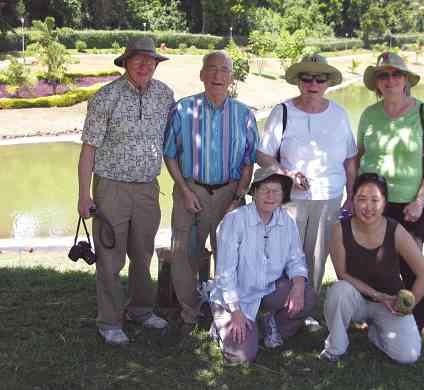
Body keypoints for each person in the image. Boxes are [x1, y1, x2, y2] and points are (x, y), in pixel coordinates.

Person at [77, 36, 174, 345]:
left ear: (157, 64)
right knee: (109, 258)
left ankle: (141, 310)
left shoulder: (165, 95)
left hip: (148, 188)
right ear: (126, 62)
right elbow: (88, 150)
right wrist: (83, 195)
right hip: (111, 189)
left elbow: (176, 141)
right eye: (138, 59)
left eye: (151, 60)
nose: (145, 65)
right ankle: (109, 321)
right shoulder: (105, 97)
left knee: (143, 255)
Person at [163, 51, 259, 332]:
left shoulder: (244, 115)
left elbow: (248, 161)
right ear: (202, 74)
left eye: (224, 70)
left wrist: (238, 198)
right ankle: (190, 312)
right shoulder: (183, 109)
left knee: (229, 255)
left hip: (229, 195)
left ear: (232, 77)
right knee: (183, 253)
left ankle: (224, 310)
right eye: (212, 69)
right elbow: (169, 154)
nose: (218, 76)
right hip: (190, 191)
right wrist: (183, 190)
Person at [356, 52, 424, 336]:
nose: (390, 80)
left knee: (411, 267)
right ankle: (376, 319)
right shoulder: (369, 114)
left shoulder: (423, 111)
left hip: (409, 204)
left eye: (396, 74)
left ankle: (415, 324)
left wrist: (419, 201)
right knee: (374, 264)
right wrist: (353, 197)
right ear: (377, 83)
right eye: (384, 75)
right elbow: (359, 157)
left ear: (406, 80)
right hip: (372, 204)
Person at [257, 54, 358, 297]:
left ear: (328, 83)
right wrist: (286, 173)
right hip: (291, 200)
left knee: (316, 258)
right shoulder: (282, 112)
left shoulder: (340, 115)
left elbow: (350, 159)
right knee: (282, 256)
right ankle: (276, 309)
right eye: (307, 78)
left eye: (320, 79)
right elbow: (262, 155)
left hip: (329, 199)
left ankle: (306, 309)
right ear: (299, 82)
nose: (313, 84)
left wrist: (352, 195)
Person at [209, 166, 318, 364]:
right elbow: (225, 273)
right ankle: (222, 323)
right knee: (240, 355)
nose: (271, 195)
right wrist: (235, 311)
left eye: (277, 190)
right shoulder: (234, 221)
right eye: (265, 189)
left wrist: (299, 286)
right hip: (235, 296)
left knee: (308, 295)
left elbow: (296, 259)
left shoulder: (287, 222)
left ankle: (269, 324)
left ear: (283, 195)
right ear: (254, 192)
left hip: (268, 290)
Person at [320, 173, 424, 363]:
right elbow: (342, 274)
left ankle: (376, 333)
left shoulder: (395, 230)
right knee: (339, 291)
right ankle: (335, 347)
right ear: (353, 200)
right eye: (361, 199)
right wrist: (377, 295)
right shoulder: (339, 229)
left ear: (385, 203)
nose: (368, 207)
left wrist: (408, 303)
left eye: (375, 200)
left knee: (409, 356)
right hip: (356, 299)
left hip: (390, 303)